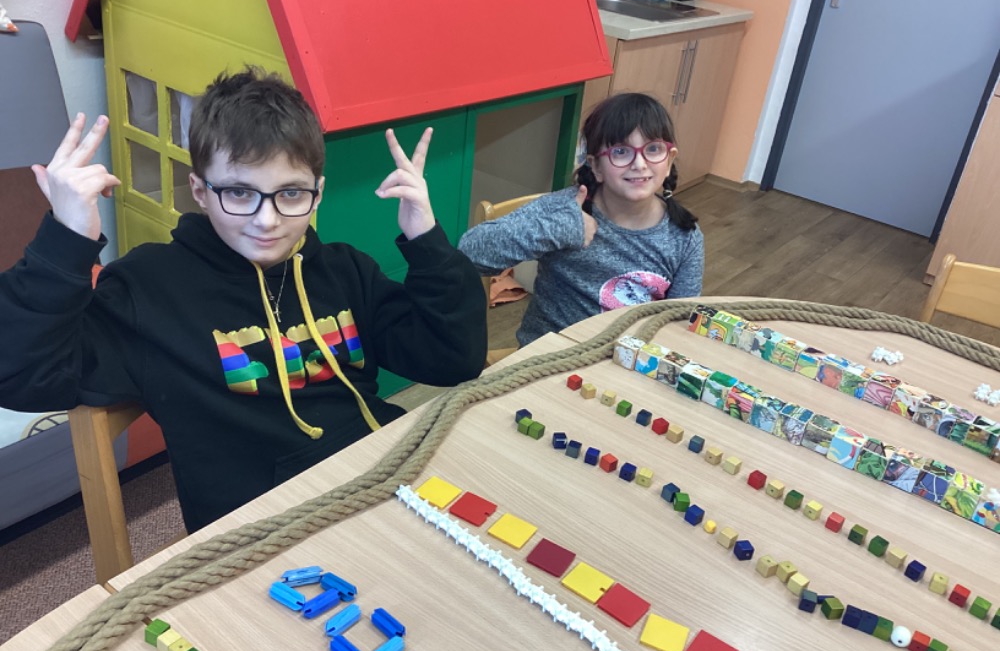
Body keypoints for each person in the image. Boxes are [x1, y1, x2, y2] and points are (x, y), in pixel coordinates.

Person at [0, 67, 487, 532]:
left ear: (318, 192)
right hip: (265, 532)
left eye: (290, 194)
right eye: (238, 192)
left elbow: (453, 359)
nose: (266, 220)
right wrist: (66, 239)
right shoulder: (148, 290)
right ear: (199, 190)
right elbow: (18, 375)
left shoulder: (344, 269)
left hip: (384, 481)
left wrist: (426, 239)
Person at [458, 92, 704, 346]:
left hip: (629, 360)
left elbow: (679, 322)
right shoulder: (564, 210)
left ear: (669, 160)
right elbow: (470, 253)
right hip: (549, 356)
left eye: (653, 149)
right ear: (595, 166)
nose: (639, 164)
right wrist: (558, 229)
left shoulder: (684, 235)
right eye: (621, 151)